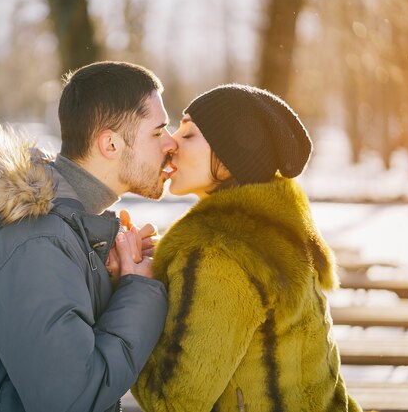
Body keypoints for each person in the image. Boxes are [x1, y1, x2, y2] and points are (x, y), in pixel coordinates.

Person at [0, 61, 177, 412]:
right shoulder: (37, 244)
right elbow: (70, 401)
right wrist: (138, 292)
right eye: (158, 131)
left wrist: (110, 280)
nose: (171, 143)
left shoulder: (65, 233)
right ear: (111, 144)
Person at [131, 84, 362, 411]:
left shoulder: (219, 255)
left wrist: (130, 298)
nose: (171, 143)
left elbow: (174, 403)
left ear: (229, 157)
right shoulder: (279, 235)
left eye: (189, 134)